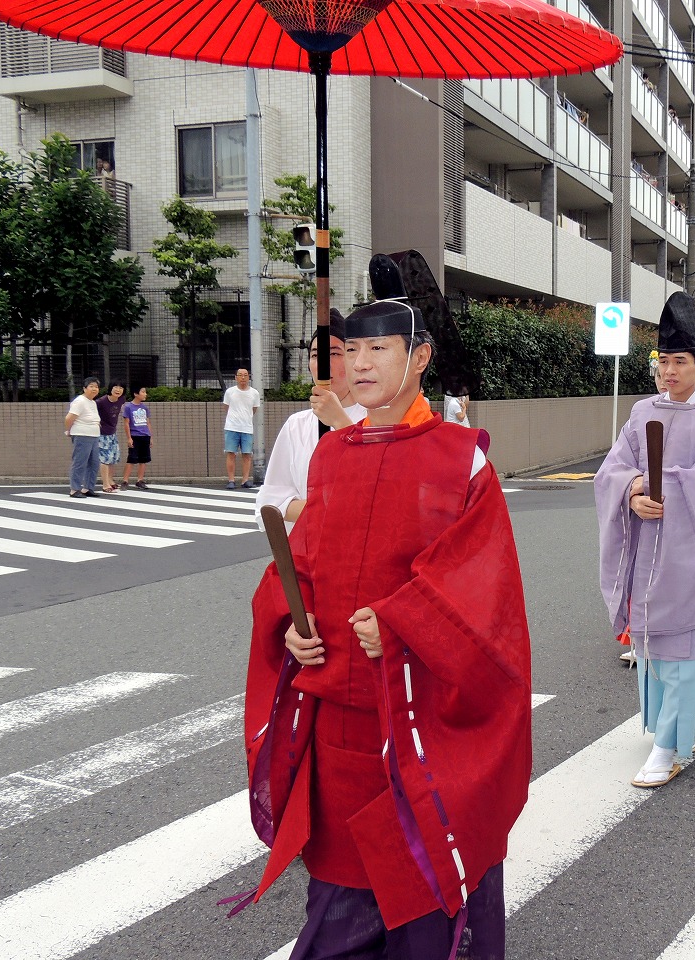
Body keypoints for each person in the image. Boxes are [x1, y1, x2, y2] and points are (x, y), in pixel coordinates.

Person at [244, 298, 531, 960]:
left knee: (426, 909)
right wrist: (293, 620)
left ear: (419, 357)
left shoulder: (463, 460)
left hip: (422, 724)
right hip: (339, 725)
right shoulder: (331, 457)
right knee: (338, 909)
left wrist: (403, 626)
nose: (359, 363)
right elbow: (304, 563)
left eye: (379, 349)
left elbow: (483, 591)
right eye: (351, 350)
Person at [596, 292, 695, 788]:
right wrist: (634, 490)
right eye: (663, 361)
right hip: (648, 548)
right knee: (655, 640)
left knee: (683, 638)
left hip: (691, 551)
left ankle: (668, 745)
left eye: (679, 361)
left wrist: (660, 487)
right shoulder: (642, 413)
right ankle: (692, 719)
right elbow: (613, 470)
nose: (669, 371)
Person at [256, 319, 366, 532]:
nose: (324, 362)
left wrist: (339, 422)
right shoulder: (297, 425)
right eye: (315, 355)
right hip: (307, 552)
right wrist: (328, 510)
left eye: (335, 353)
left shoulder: (377, 417)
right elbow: (270, 501)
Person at [64, 377, 102, 499]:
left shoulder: (92, 402)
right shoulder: (80, 401)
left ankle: (88, 488)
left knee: (94, 463)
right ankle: (74, 489)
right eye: (91, 386)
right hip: (82, 435)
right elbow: (69, 418)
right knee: (80, 462)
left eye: (96, 387)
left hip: (94, 435)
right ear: (84, 388)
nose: (94, 389)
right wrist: (69, 430)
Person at [223, 367, 260, 489]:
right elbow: (226, 407)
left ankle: (245, 480)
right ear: (235, 377)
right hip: (231, 427)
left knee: (247, 454)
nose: (243, 377)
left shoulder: (254, 393)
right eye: (240, 375)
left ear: (249, 377)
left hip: (247, 428)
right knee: (231, 453)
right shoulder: (230, 392)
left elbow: (254, 409)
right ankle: (231, 480)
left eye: (245, 375)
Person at [95, 382, 127, 492]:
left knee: (112, 458)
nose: (118, 390)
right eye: (116, 387)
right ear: (110, 388)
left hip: (112, 432)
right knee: (104, 459)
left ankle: (110, 480)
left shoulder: (121, 399)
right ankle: (105, 484)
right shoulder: (101, 402)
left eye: (121, 387)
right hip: (102, 433)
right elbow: (92, 412)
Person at [121, 386, 154, 490]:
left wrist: (150, 436)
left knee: (143, 460)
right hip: (135, 436)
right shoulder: (128, 407)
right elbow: (126, 423)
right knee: (131, 459)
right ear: (136, 394)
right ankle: (125, 481)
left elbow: (148, 422)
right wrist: (129, 438)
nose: (145, 394)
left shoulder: (145, 408)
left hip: (145, 436)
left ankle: (140, 480)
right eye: (143, 392)